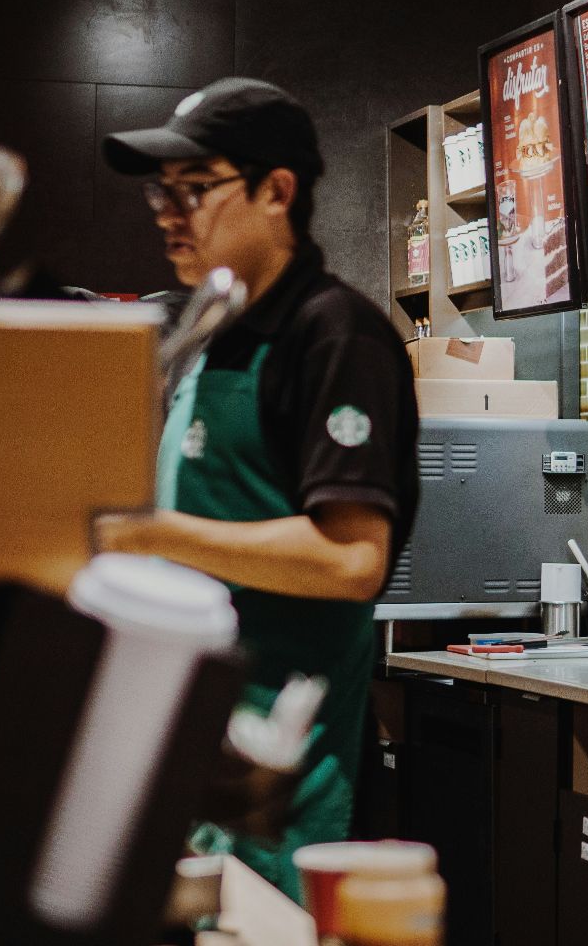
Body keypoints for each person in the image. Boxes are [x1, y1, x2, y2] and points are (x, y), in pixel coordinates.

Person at [90, 77, 418, 900]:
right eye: (162, 191)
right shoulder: (214, 330)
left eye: (194, 188)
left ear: (278, 192)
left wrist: (147, 534)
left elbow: (351, 559)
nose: (168, 209)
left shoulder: (334, 334)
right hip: (191, 725)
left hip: (281, 753)